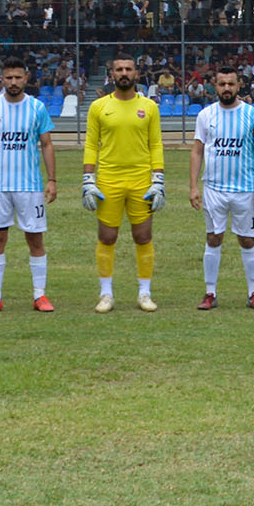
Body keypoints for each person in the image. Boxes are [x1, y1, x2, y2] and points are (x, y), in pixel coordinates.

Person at [0, 55, 58, 314]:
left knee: (35, 239)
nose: (13, 82)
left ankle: (39, 295)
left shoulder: (37, 108)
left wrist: (52, 180)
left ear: (26, 78)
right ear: (2, 78)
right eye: (8, 77)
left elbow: (47, 144)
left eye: (18, 77)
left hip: (30, 186)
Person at [83, 55, 164, 313]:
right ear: (112, 73)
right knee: (107, 237)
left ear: (136, 73)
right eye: (119, 69)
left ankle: (144, 293)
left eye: (129, 69)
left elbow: (156, 144)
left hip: (141, 179)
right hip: (108, 179)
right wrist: (88, 178)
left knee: (143, 236)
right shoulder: (98, 107)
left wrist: (158, 179)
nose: (124, 73)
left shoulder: (149, 107)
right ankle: (106, 294)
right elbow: (91, 145)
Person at [188, 66, 254, 311]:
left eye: (231, 84)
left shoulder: (252, 114)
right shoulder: (205, 115)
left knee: (247, 240)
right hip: (214, 189)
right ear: (215, 85)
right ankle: (210, 292)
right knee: (213, 237)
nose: (227, 88)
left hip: (246, 189)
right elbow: (197, 151)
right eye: (222, 84)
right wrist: (193, 187)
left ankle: (253, 292)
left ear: (238, 85)